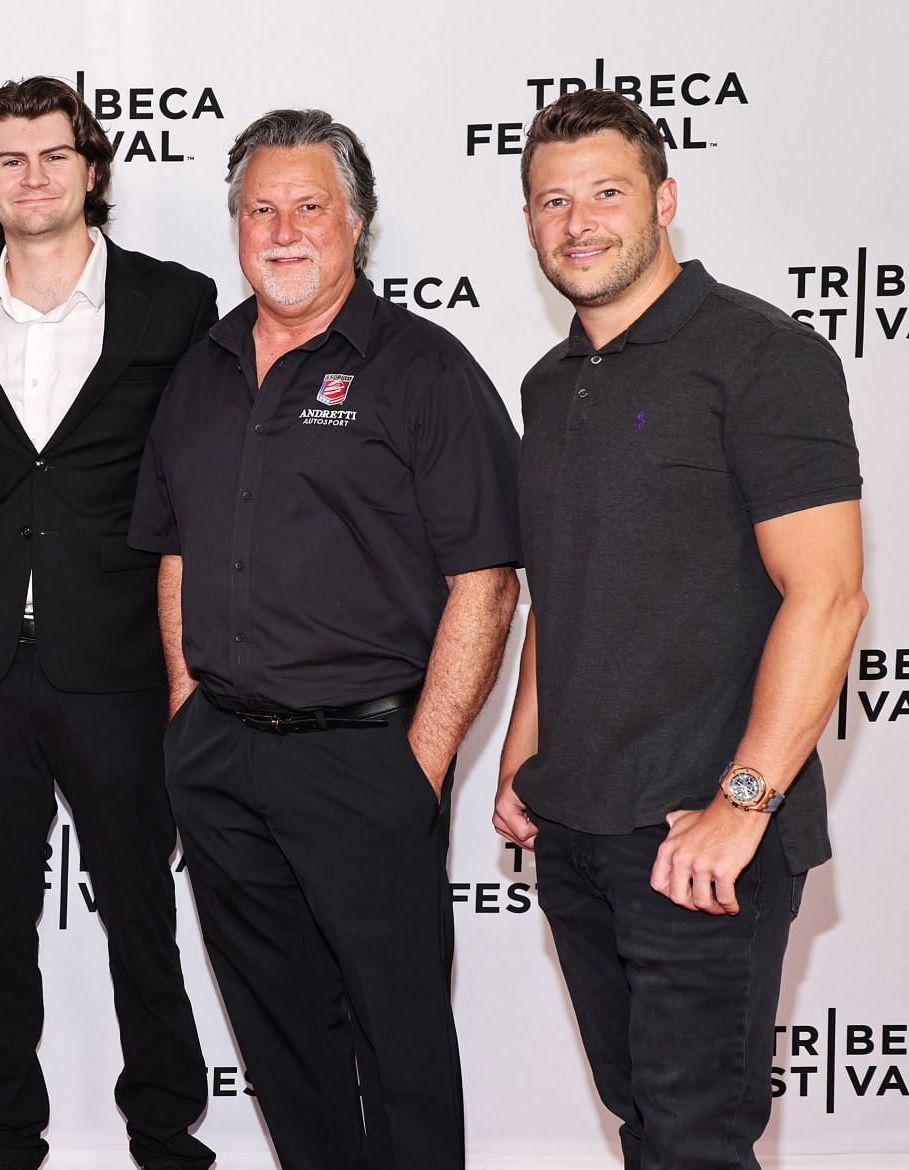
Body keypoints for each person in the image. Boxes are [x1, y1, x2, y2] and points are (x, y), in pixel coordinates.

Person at [129, 109, 521, 1170]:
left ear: (358, 222)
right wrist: (184, 713)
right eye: (261, 208)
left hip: (367, 760)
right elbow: (172, 553)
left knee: (399, 1043)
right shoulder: (201, 369)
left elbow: (485, 583)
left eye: (310, 206)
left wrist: (422, 764)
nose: (284, 228)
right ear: (236, 225)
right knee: (282, 1040)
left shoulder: (425, 370)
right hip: (220, 758)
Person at [495, 88, 866, 1170]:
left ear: (664, 200)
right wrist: (527, 747)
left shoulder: (761, 356)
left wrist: (741, 805)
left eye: (606, 192)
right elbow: (561, 585)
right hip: (576, 828)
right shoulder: (548, 380)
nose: (579, 221)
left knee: (696, 1142)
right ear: (528, 222)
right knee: (648, 1128)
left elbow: (830, 594)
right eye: (551, 199)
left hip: (698, 835)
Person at [0, 75, 216, 1170]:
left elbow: (194, 476)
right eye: (9, 160)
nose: (33, 176)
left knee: (141, 910)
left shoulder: (174, 301)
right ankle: (3, 1134)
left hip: (122, 657)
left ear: (90, 169)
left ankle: (164, 1130)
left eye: (53, 154)